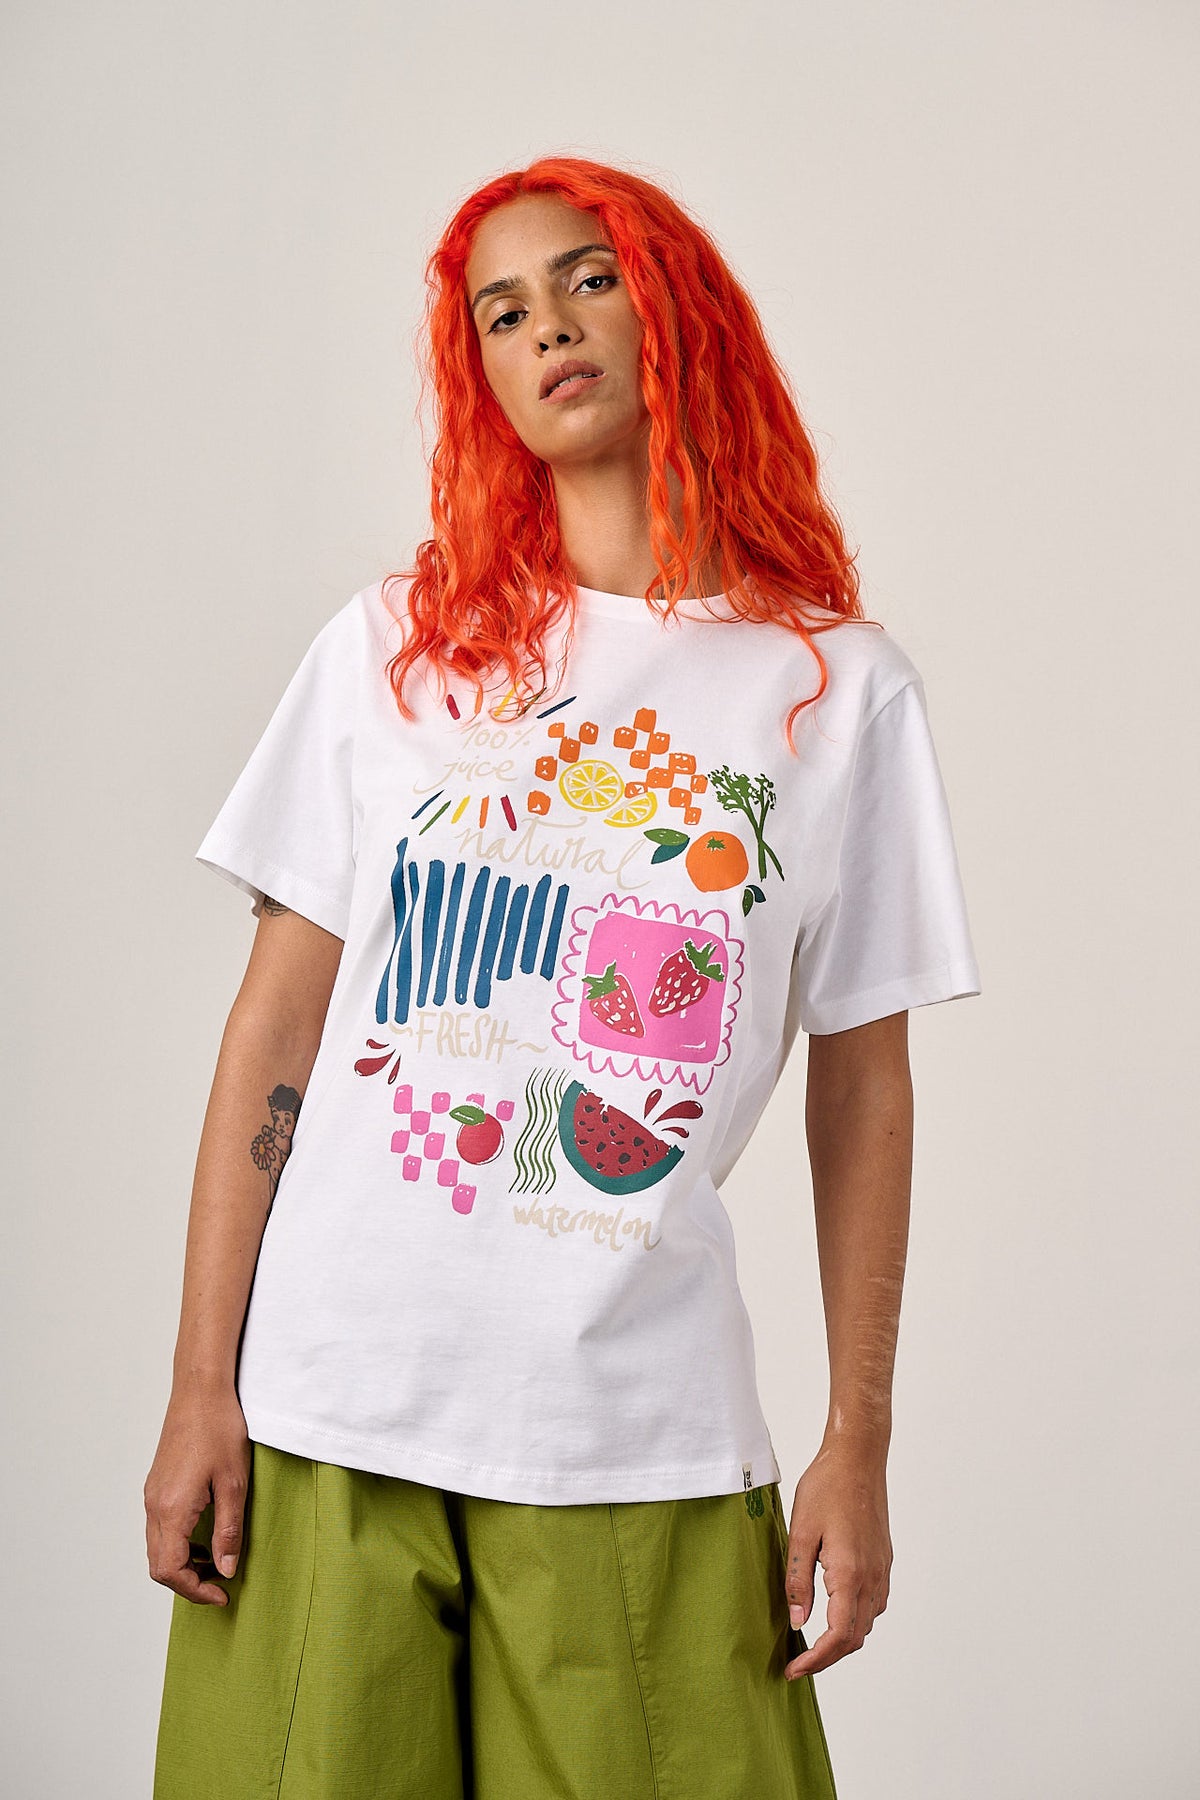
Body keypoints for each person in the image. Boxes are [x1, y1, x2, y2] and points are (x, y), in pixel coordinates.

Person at [146, 154, 981, 1799]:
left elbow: (864, 1088)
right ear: (481, 375)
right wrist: (197, 1386)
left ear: (676, 311)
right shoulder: (395, 649)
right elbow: (277, 1029)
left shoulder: (833, 692)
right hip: (330, 1407)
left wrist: (859, 1437)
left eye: (589, 278)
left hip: (636, 1427)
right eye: (502, 311)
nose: (549, 327)